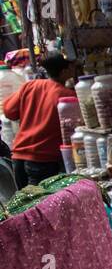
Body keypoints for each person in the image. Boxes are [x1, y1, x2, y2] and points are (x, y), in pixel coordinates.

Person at [1, 53, 75, 188]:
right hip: (43, 160)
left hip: (19, 156)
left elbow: (9, 111)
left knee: (24, 205)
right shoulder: (67, 96)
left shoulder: (31, 86)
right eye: (72, 67)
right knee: (40, 205)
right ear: (64, 71)